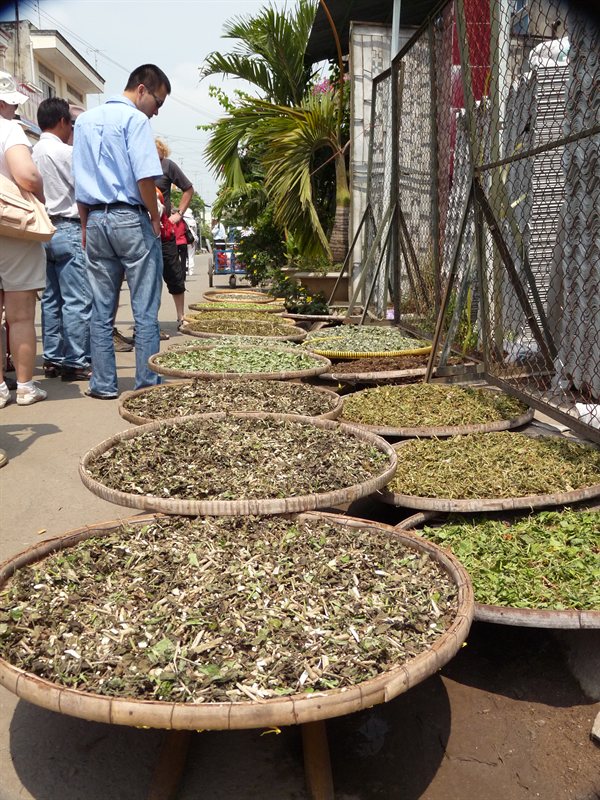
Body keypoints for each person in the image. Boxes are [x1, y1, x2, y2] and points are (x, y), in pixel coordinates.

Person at [72, 64, 171, 399]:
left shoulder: (83, 121)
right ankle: (146, 385)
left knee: (100, 309)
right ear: (142, 89)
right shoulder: (135, 121)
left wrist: (86, 224)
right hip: (130, 216)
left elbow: (80, 179)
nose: (156, 111)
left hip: (96, 219)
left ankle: (102, 384)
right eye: (157, 102)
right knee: (144, 307)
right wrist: (154, 218)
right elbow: (145, 177)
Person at [32, 97, 92, 381]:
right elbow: (82, 193)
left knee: (51, 300)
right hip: (68, 226)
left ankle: (52, 358)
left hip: (42, 229)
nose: (72, 128)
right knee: (76, 299)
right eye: (70, 122)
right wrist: (85, 227)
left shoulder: (31, 151)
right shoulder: (67, 153)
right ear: (61, 122)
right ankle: (75, 361)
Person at [0, 70, 47, 408]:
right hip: (12, 228)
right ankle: (26, 387)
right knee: (19, 315)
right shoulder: (9, 128)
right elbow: (27, 175)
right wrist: (40, 198)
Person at [154, 138, 193, 330]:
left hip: (164, 231)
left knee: (174, 274)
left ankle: (181, 316)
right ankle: (148, 323)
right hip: (141, 231)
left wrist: (178, 214)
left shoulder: (167, 166)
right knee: (148, 279)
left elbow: (188, 188)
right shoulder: (134, 165)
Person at [183, 209, 198, 275]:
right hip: (191, 240)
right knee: (191, 256)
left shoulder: (182, 220)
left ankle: (185, 269)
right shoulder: (193, 221)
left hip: (184, 240)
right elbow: (195, 232)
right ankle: (191, 271)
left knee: (185, 256)